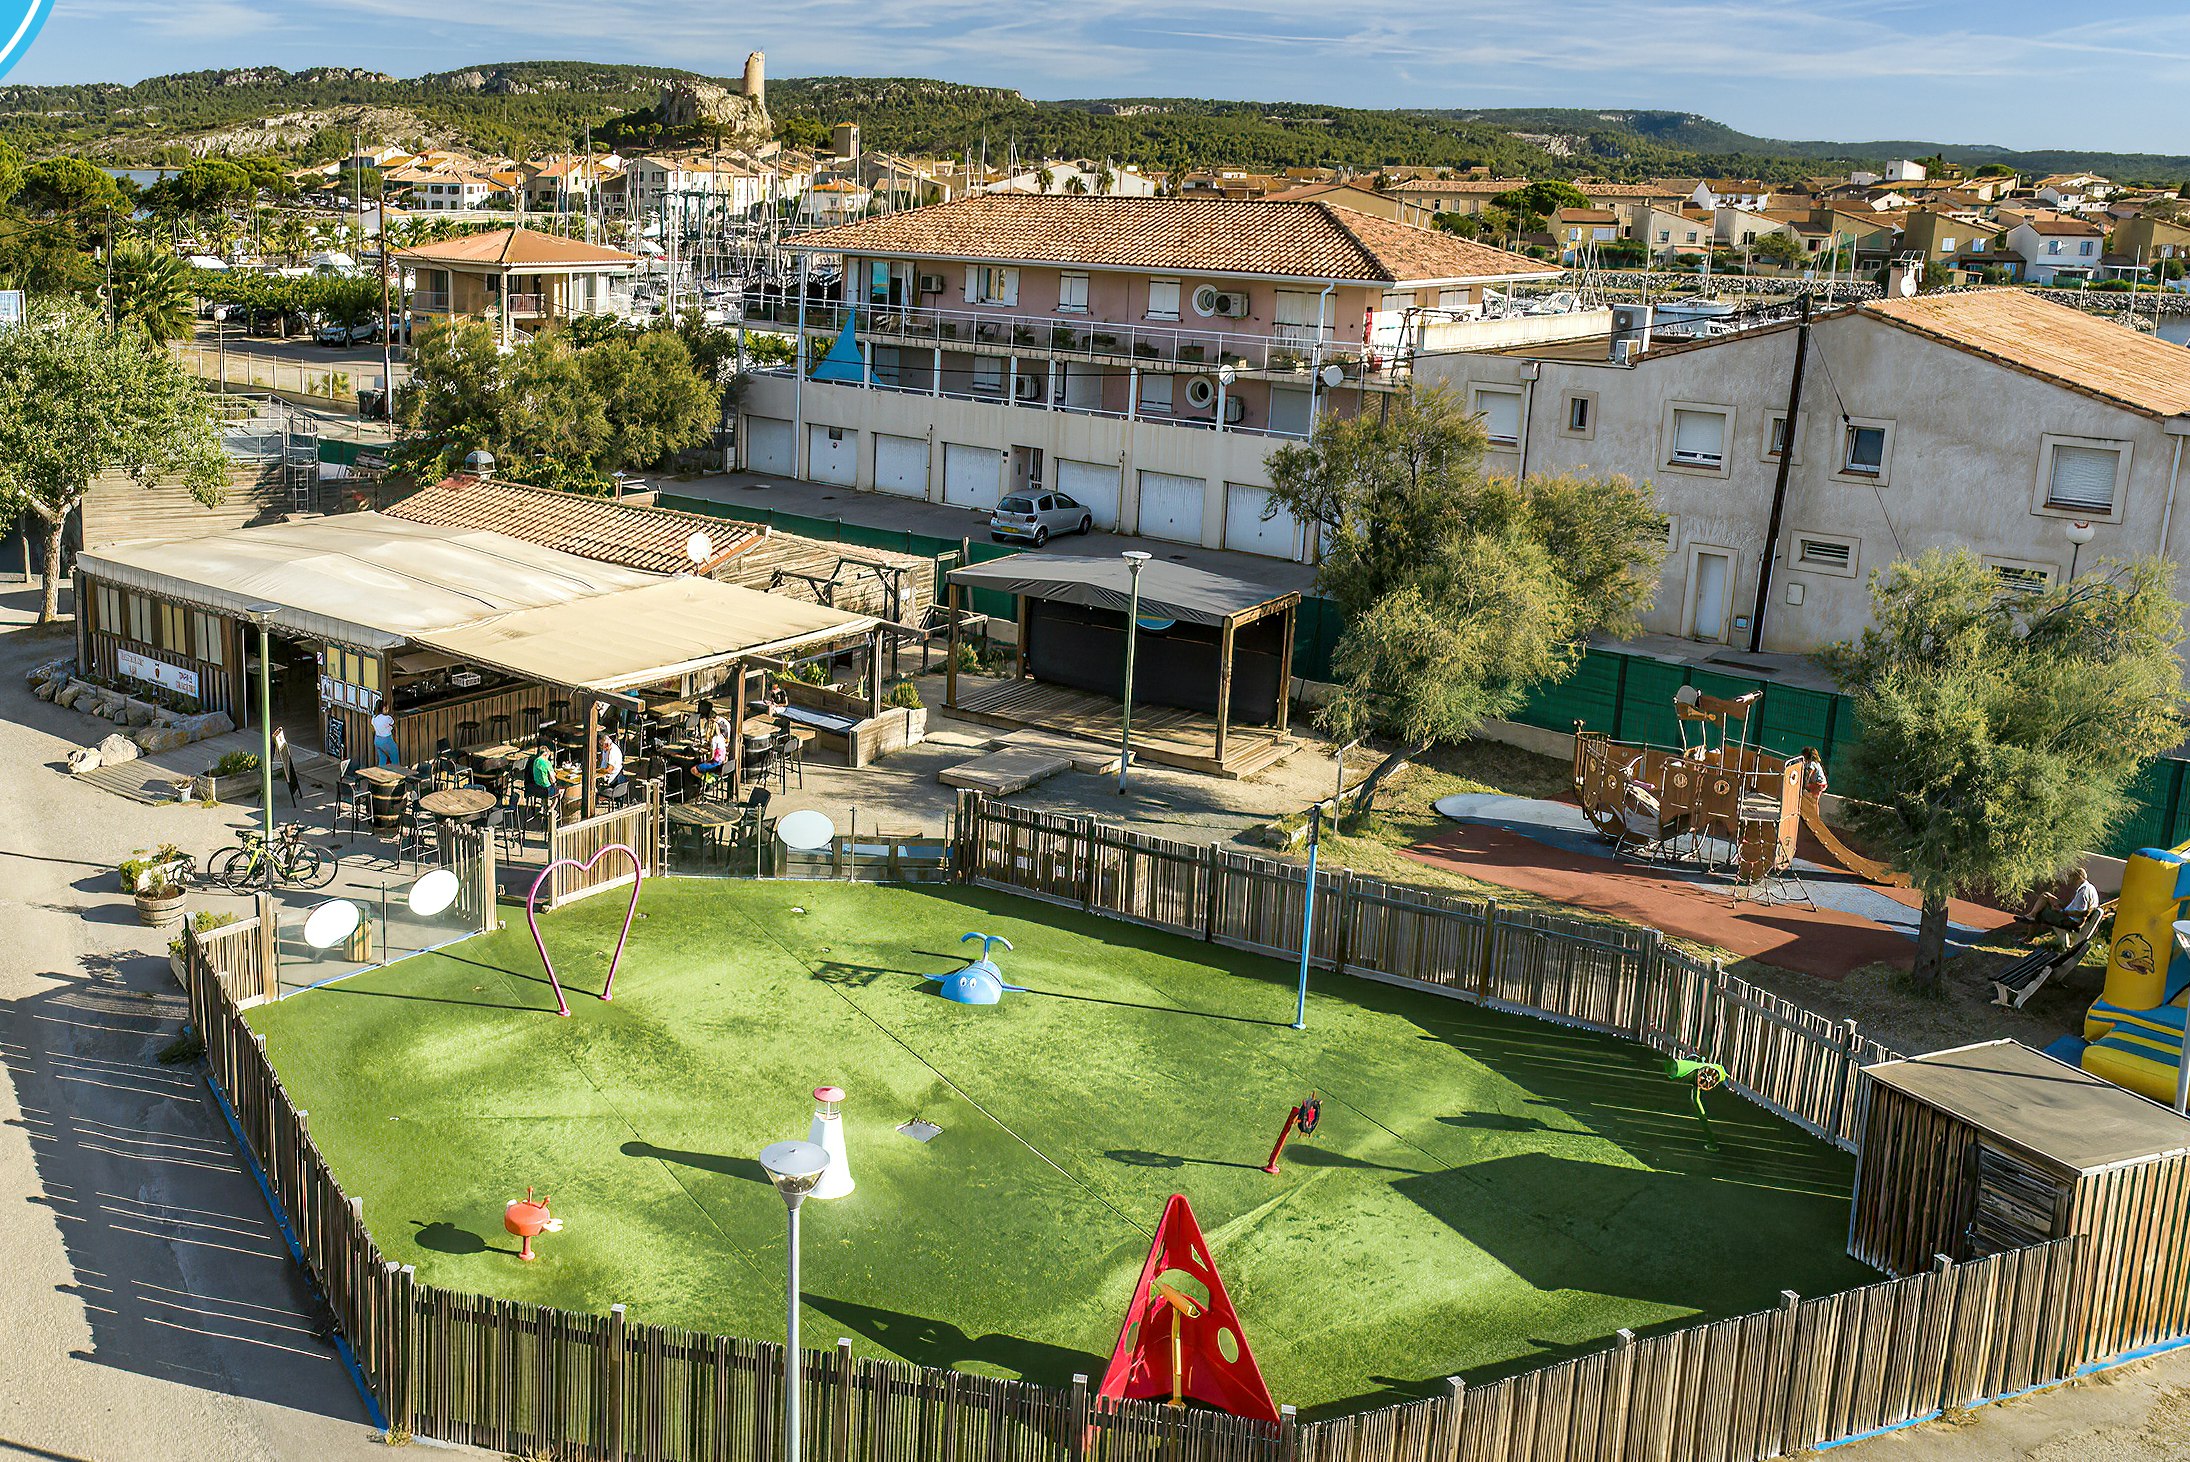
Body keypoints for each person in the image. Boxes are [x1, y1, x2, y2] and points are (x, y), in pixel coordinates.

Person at [2025, 866, 2101, 935]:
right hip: (2069, 915)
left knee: (2040, 911)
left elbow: (2079, 914)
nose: (2069, 881)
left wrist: (2061, 912)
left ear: (2078, 877)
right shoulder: (2090, 887)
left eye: (2071, 877)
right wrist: (2060, 907)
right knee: (2046, 895)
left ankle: (2030, 927)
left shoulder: (2083, 892)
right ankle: (2031, 915)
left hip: (2070, 921)